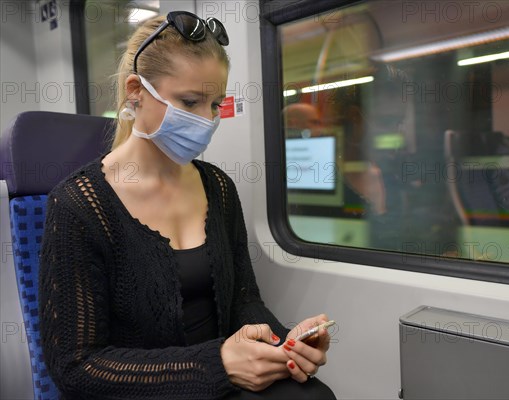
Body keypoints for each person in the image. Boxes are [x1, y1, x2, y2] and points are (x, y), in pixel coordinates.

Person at [39, 11, 336, 400]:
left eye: (215, 105)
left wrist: (285, 345)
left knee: (315, 396)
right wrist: (219, 364)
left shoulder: (218, 188)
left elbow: (243, 301)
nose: (206, 120)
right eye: (190, 101)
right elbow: (77, 368)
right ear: (135, 91)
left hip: (217, 380)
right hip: (145, 391)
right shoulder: (79, 205)